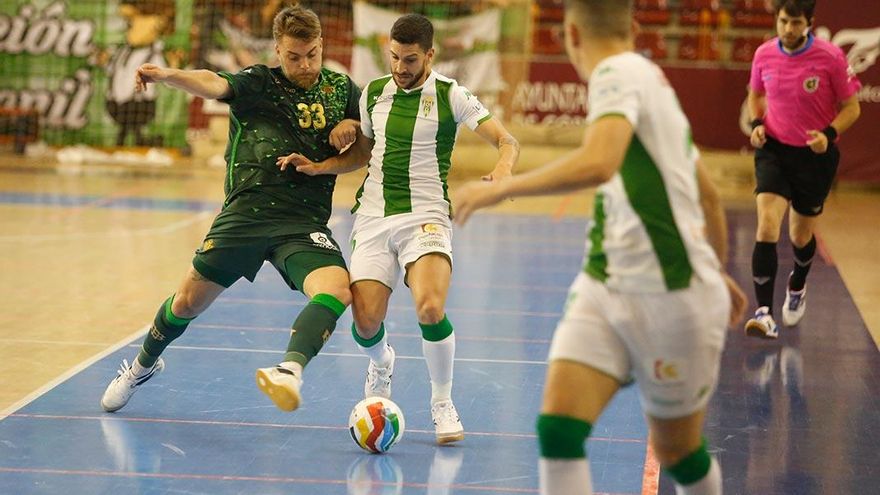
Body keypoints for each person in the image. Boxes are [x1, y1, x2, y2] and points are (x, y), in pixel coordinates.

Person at [452, 1, 747, 494]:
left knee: (678, 451)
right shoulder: (653, 86)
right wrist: (713, 268)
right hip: (606, 284)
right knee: (559, 429)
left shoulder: (618, 71)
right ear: (634, 26)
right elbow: (708, 196)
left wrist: (502, 188)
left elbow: (600, 161)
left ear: (570, 33)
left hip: (669, 294)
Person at [100, 5, 362, 414]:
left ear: (322, 45)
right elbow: (213, 82)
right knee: (186, 303)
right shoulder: (259, 82)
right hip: (246, 215)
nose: (305, 65)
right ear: (278, 50)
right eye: (294, 57)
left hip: (302, 222)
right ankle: (140, 367)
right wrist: (168, 75)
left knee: (337, 289)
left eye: (312, 54)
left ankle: (289, 370)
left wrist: (353, 128)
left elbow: (366, 146)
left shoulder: (342, 89)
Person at [278, 13, 519, 444]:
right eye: (394, 57)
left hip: (425, 215)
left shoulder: (450, 94)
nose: (400, 68)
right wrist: (320, 167)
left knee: (430, 308)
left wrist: (503, 170)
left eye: (410, 60)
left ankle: (441, 402)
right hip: (373, 216)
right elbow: (362, 154)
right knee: (366, 322)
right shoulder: (374, 93)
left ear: (429, 55)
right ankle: (382, 362)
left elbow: (507, 141)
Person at [744, 0, 861, 339]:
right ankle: (764, 314)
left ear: (809, 22)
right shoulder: (764, 54)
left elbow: (852, 107)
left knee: (799, 236)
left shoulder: (831, 57)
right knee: (767, 224)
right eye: (783, 21)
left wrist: (828, 135)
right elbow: (756, 96)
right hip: (774, 151)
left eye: (796, 23)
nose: (788, 29)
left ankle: (797, 284)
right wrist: (757, 124)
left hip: (813, 156)